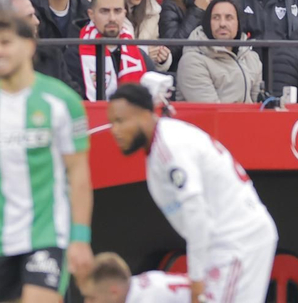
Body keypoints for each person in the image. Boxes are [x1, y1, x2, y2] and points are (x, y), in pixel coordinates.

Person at [0, 10, 92, 302]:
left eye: (6, 42)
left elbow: (79, 174)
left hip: (48, 234)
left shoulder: (62, 102)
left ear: (29, 46)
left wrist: (80, 237)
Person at [105, 82, 279, 303]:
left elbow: (196, 215)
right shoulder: (162, 142)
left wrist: (196, 278)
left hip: (237, 241)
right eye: (112, 123)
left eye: (121, 121)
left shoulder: (170, 147)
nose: (115, 131)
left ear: (145, 115)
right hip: (229, 242)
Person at [175, 0, 262, 102]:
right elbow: (210, 109)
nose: (222, 24)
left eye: (229, 18)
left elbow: (259, 105)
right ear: (208, 23)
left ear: (238, 23)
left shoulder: (251, 58)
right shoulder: (192, 61)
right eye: (216, 18)